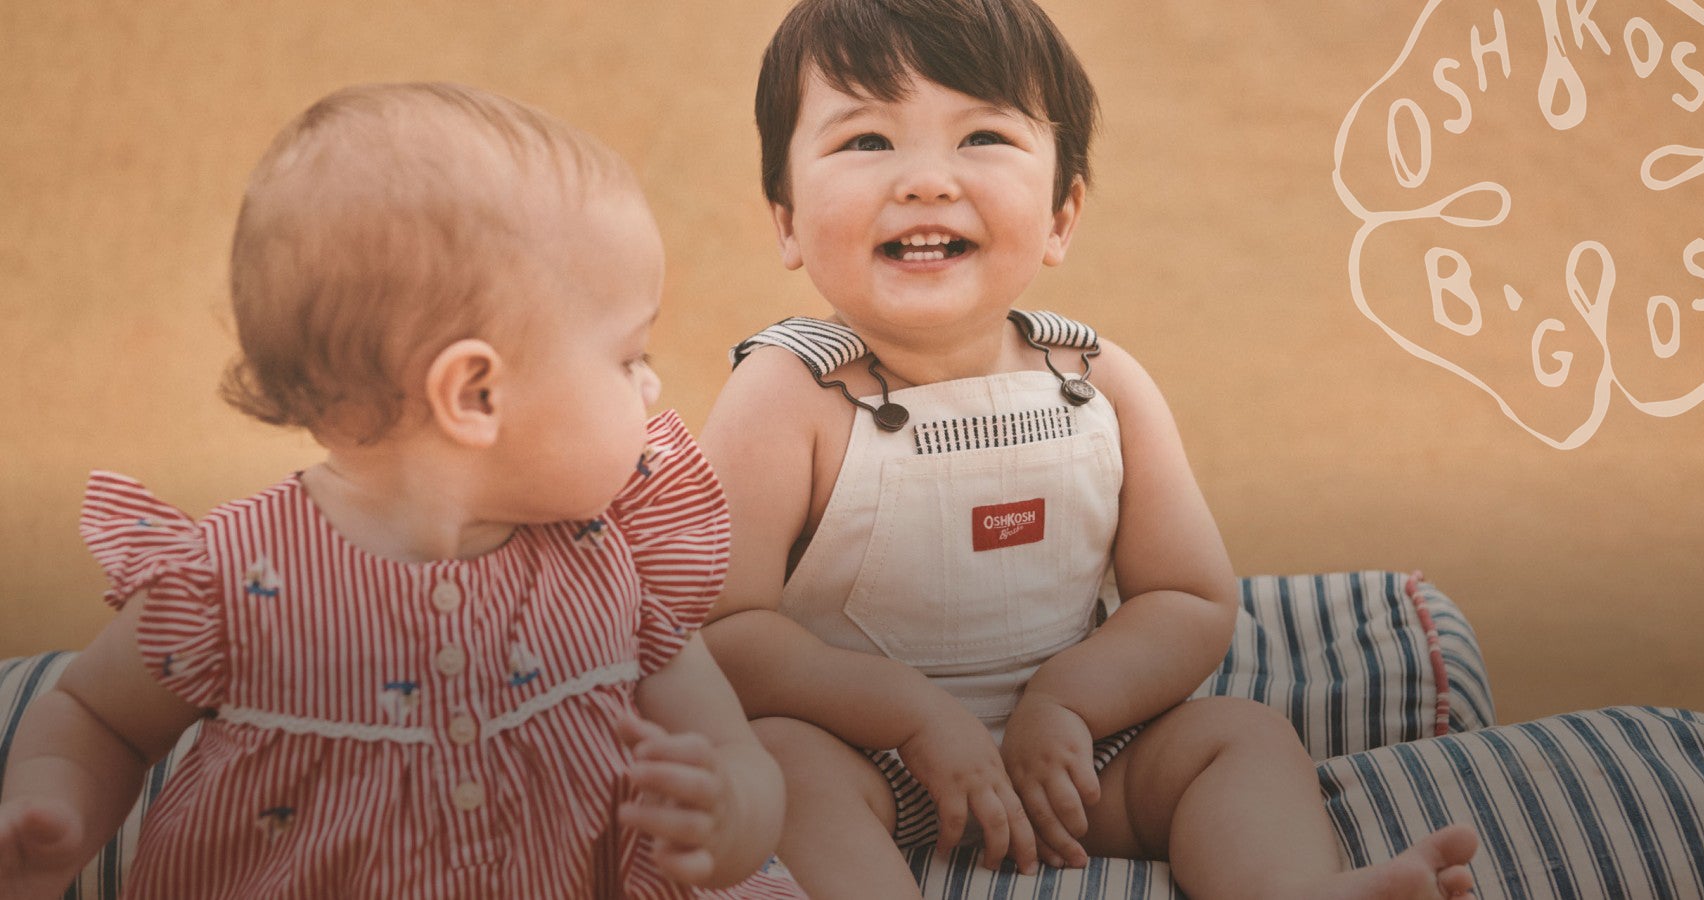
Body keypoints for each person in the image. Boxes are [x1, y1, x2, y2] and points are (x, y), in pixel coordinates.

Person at [697, 1, 1481, 898]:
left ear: (1064, 214)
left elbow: (1186, 597)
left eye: (982, 135)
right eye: (867, 141)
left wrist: (1071, 703)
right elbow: (722, 631)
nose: (924, 181)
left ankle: (1289, 887)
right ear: (788, 219)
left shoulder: (1097, 384)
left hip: (1071, 764)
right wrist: (908, 717)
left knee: (1241, 737)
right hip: (860, 755)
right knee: (778, 770)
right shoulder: (791, 393)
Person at [0, 82, 805, 900]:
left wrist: (730, 812)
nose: (653, 386)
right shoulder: (232, 579)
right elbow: (100, 720)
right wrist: (51, 803)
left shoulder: (610, 563)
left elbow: (735, 750)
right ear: (476, 396)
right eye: (630, 355)